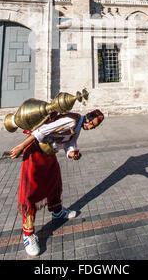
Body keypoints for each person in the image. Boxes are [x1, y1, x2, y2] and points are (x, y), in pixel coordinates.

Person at [10, 109, 104, 257]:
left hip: (49, 153)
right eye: (92, 124)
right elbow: (41, 131)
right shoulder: (71, 121)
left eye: (95, 126)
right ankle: (28, 235)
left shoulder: (77, 126)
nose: (92, 127)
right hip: (35, 152)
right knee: (30, 192)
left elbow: (70, 142)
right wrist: (21, 147)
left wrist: (72, 152)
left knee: (54, 182)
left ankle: (57, 211)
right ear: (88, 117)